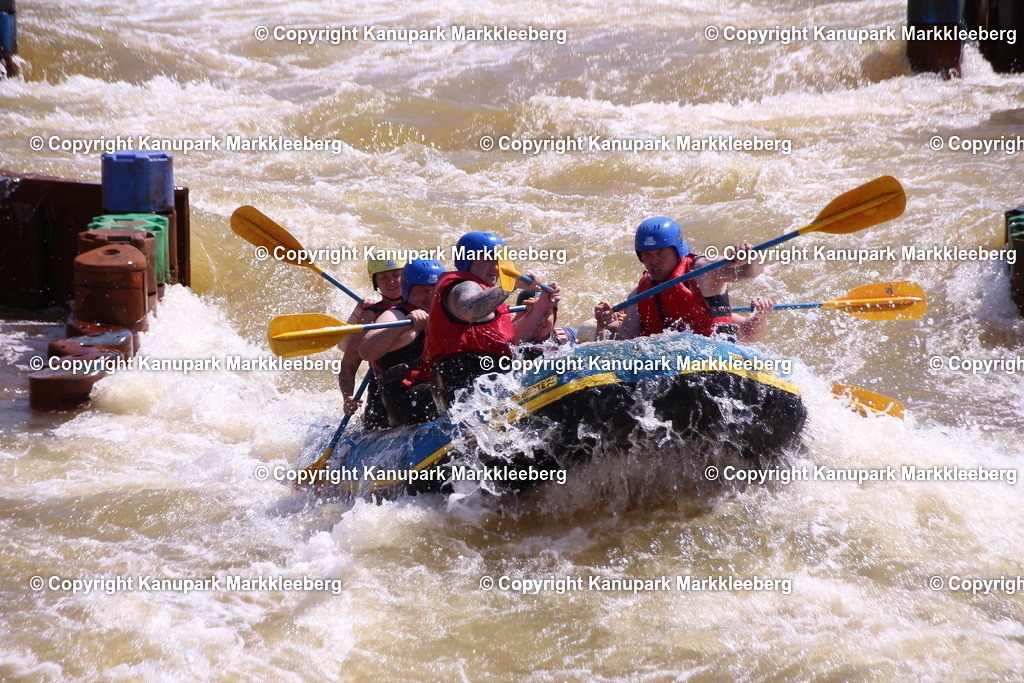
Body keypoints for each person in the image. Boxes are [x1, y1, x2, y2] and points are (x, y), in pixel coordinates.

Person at [423, 231, 561, 412]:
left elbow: (514, 339)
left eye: (498, 261)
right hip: (462, 377)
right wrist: (509, 285)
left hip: (489, 374)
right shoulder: (463, 286)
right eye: (487, 260)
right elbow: (469, 310)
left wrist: (543, 303)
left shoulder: (492, 296)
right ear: (466, 261)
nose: (496, 267)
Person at [594, 217, 774, 343]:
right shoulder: (638, 295)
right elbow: (627, 340)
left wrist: (750, 255)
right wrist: (609, 327)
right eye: (647, 255)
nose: (653, 261)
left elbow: (748, 272)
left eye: (660, 254)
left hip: (714, 357)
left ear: (677, 252)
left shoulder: (704, 270)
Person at [358, 259, 445, 427]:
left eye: (435, 290)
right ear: (407, 291)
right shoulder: (396, 315)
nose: (431, 296)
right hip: (404, 403)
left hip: (431, 392)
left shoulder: (445, 313)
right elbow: (365, 351)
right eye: (423, 291)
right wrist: (403, 327)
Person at [338, 258, 405, 430]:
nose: (391, 281)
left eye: (396, 275)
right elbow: (348, 364)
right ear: (375, 282)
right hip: (385, 390)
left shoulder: (422, 303)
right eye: (383, 277)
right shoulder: (370, 315)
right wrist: (348, 397)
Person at [513, 290, 578, 358]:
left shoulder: (571, 337)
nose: (540, 320)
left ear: (554, 314)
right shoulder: (510, 347)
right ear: (519, 317)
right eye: (532, 315)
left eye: (546, 314)